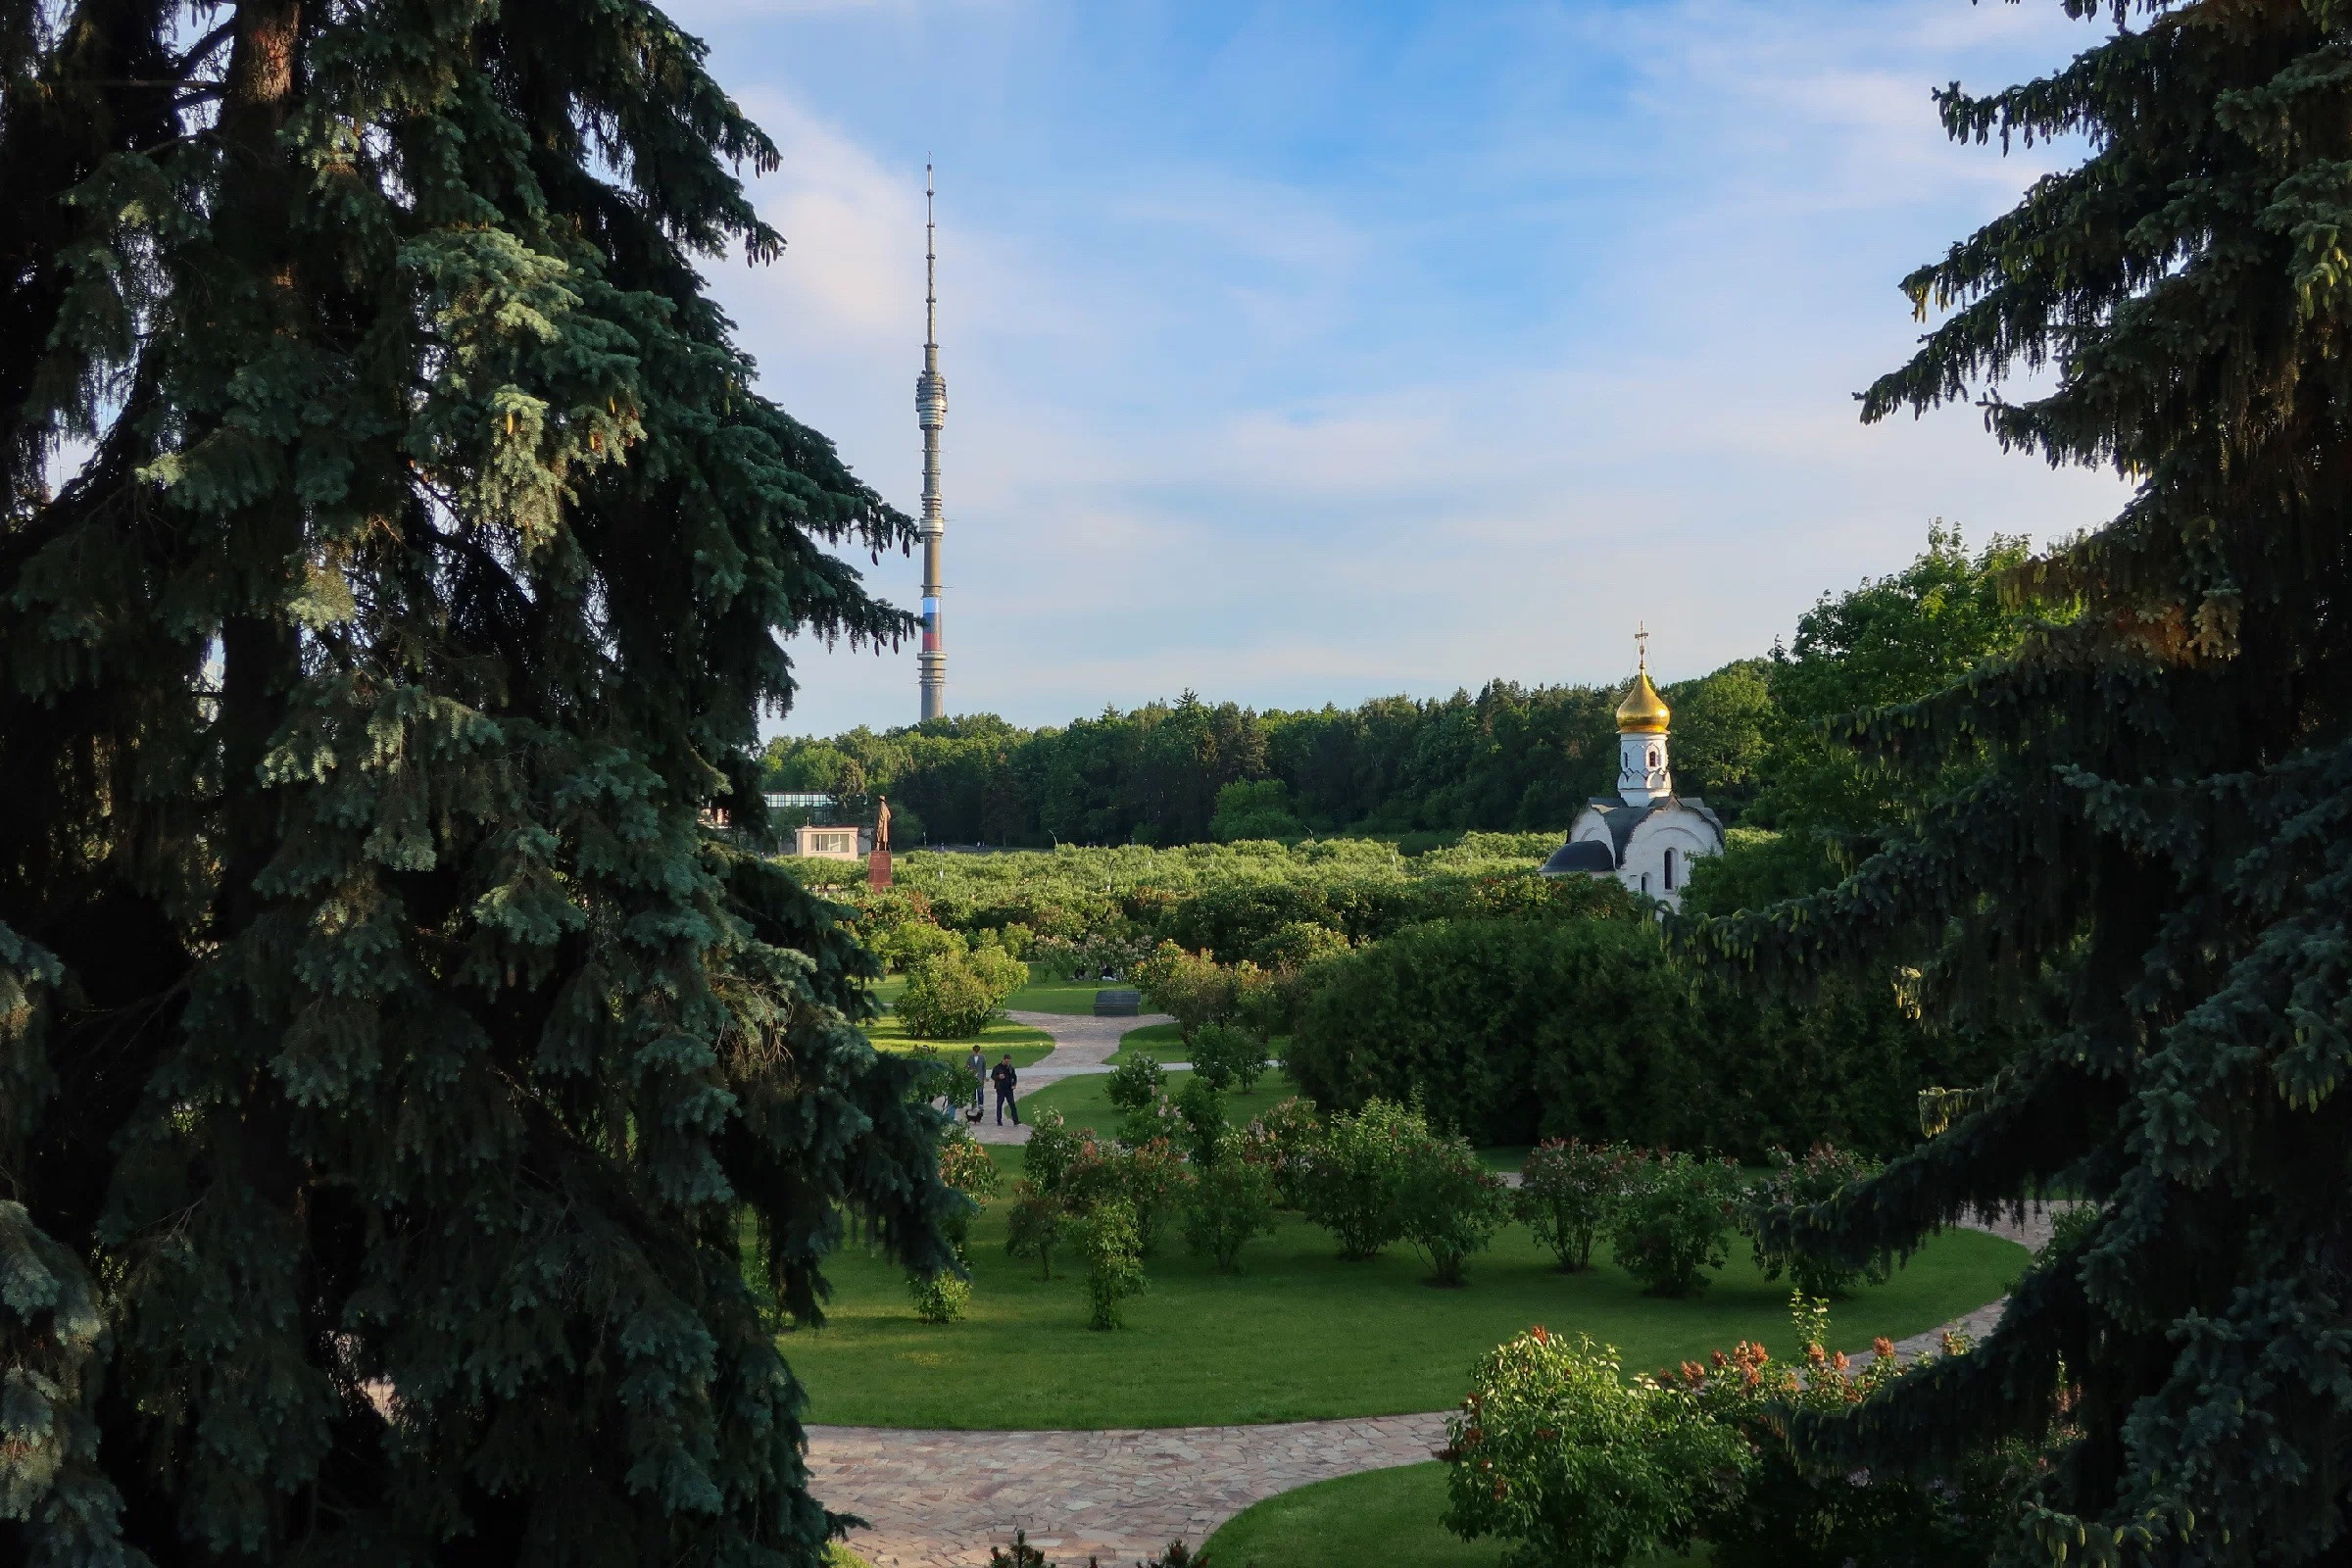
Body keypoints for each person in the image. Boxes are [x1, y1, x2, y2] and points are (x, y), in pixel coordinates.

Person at [991, 1054, 1021, 1127]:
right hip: (1000, 1089)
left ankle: (1016, 1120)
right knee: (999, 1104)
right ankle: (999, 1120)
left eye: (1008, 1062)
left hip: (1009, 1089)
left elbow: (1014, 1077)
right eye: (1006, 1061)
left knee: (1012, 1104)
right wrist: (998, 1077)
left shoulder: (1011, 1068)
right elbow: (992, 1076)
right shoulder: (997, 1067)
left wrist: (1014, 1085)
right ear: (1003, 1060)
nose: (1007, 1063)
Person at [966, 1046, 986, 1117]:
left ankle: (980, 1106)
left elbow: (984, 1068)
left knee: (980, 1092)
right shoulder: (970, 1057)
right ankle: (973, 1105)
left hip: (979, 1077)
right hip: (972, 1077)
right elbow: (967, 1066)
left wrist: (983, 1078)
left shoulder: (982, 1057)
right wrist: (969, 1071)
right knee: (973, 1092)